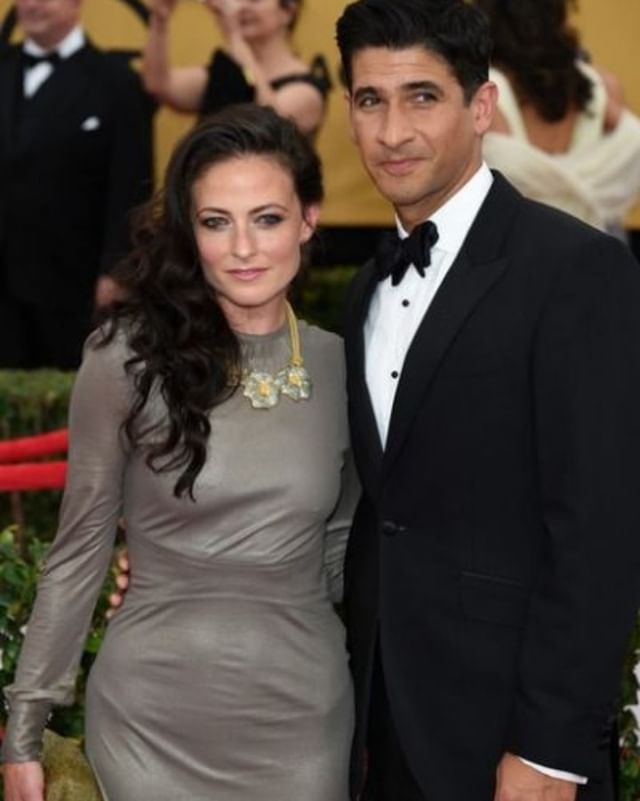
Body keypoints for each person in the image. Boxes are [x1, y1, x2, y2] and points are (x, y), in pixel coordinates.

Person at [1, 104, 355, 801]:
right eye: (216, 221)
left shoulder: (346, 368)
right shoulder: (125, 357)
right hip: (147, 720)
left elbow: (347, 559)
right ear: (190, 234)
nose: (244, 247)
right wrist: (24, 730)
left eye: (268, 218)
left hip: (302, 720)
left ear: (309, 219)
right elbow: (77, 552)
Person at [335, 1, 640, 799]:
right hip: (381, 731)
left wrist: (550, 747)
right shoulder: (364, 291)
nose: (393, 131)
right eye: (371, 100)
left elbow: (600, 527)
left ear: (481, 107)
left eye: (422, 97)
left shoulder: (574, 269)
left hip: (512, 741)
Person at [0, 0, 153, 370]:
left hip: (74, 282)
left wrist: (117, 269)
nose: (33, 5)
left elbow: (131, 182)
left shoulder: (116, 81)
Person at [478, 0, 640, 232]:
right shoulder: (602, 87)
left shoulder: (484, 93)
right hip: (593, 245)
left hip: (516, 248)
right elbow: (632, 140)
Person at [142, 0, 330, 138]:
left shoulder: (307, 89)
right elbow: (159, 85)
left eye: (254, 0)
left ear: (288, 11)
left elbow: (271, 121)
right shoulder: (226, 72)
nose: (242, 7)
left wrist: (235, 37)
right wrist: (159, 21)